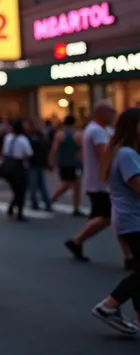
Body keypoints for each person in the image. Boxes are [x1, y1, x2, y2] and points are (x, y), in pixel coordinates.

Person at [90, 107, 140, 335]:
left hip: (129, 218)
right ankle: (110, 305)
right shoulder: (127, 154)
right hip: (134, 219)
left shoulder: (125, 152)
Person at [65, 101, 126, 263]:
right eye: (112, 112)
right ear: (103, 113)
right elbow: (105, 155)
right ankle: (76, 240)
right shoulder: (98, 132)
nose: (115, 115)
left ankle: (129, 255)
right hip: (101, 183)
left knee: (113, 217)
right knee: (109, 216)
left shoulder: (95, 129)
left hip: (97, 181)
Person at [49, 115, 84, 216]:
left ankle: (53, 199)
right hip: (74, 162)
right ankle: (75, 207)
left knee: (68, 183)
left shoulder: (60, 134)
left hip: (63, 162)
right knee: (73, 185)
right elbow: (81, 150)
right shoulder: (78, 134)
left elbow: (54, 149)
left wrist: (52, 160)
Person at [0, 120, 33, 222]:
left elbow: (4, 151)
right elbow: (29, 153)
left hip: (8, 165)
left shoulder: (8, 138)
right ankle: (19, 212)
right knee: (21, 190)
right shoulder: (23, 140)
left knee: (16, 189)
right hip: (19, 166)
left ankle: (12, 207)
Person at [27, 118, 52, 212]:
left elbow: (46, 149)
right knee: (35, 185)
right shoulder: (29, 136)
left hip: (39, 163)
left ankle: (45, 202)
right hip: (33, 163)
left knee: (41, 185)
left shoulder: (41, 136)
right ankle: (35, 202)